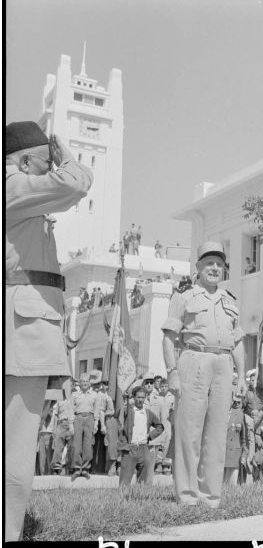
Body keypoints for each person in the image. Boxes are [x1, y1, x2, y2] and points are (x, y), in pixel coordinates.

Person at [5, 123, 93, 541]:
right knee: (18, 444)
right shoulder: (16, 184)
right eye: (45, 162)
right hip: (21, 330)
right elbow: (77, 183)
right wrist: (66, 155)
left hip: (18, 325)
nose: (50, 169)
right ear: (24, 161)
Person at [161, 241, 247, 508]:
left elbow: (239, 341)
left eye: (219, 264)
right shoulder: (184, 297)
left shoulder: (230, 300)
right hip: (194, 359)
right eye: (209, 263)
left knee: (217, 432)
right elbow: (168, 337)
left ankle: (211, 497)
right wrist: (172, 372)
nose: (214, 268)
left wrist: (242, 376)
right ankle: (187, 495)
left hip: (223, 362)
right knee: (189, 431)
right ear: (197, 267)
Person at [118, 386, 164, 487]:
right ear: (134, 398)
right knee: (124, 481)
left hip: (144, 448)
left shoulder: (148, 413)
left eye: (143, 397)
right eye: (138, 397)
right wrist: (124, 398)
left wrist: (150, 436)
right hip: (130, 448)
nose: (140, 400)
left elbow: (160, 427)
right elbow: (119, 411)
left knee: (143, 482)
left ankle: (140, 500)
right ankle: (121, 500)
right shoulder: (128, 411)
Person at [71, 373, 100, 479]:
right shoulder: (74, 395)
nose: (85, 383)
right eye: (83, 381)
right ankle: (77, 469)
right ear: (80, 383)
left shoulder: (94, 395)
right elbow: (71, 410)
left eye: (87, 381)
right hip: (77, 418)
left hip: (90, 418)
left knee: (88, 445)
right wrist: (71, 424)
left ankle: (85, 469)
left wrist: (96, 423)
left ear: (89, 383)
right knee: (77, 445)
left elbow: (96, 410)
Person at [223, 385, 248, 485]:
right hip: (217, 455)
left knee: (231, 486)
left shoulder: (239, 414)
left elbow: (244, 438)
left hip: (233, 455)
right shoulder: (214, 414)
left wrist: (245, 455)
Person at [50, 395, 75, 475]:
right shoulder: (59, 399)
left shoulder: (75, 397)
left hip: (72, 424)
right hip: (61, 424)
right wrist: (54, 429)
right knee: (58, 448)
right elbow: (55, 415)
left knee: (72, 448)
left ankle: (70, 468)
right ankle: (56, 468)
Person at [36, 400, 57, 475]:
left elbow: (55, 422)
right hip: (41, 433)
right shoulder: (41, 410)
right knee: (42, 456)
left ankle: (50, 473)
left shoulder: (55, 410)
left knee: (49, 456)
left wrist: (54, 433)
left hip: (50, 433)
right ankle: (42, 474)